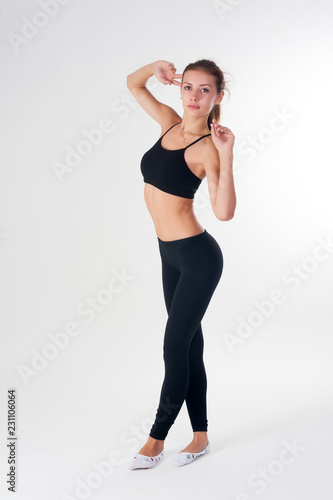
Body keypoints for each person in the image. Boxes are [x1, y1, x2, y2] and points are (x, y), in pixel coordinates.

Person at [126, 59, 236, 469]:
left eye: (204, 89)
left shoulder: (209, 147)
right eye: (188, 86)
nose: (193, 95)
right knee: (190, 348)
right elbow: (133, 86)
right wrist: (153, 67)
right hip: (167, 254)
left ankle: (155, 440)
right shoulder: (169, 124)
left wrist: (227, 155)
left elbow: (223, 213)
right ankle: (201, 436)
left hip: (197, 259)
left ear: (217, 97)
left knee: (174, 346)